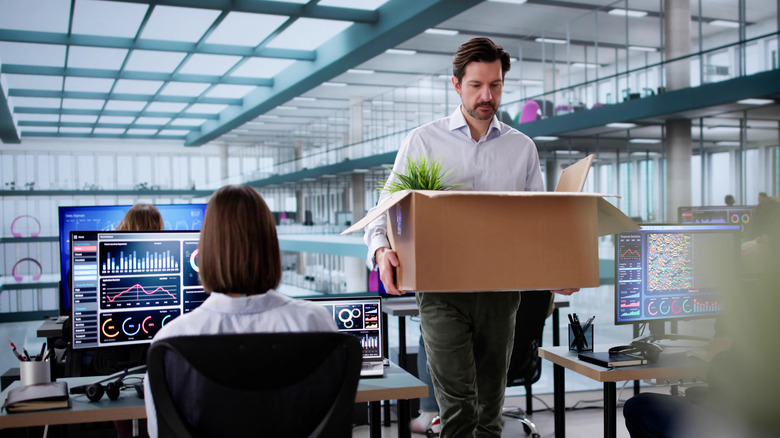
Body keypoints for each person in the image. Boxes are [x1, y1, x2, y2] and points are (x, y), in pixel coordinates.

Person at [364, 37, 578, 437]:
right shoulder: (424, 141)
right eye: (476, 85)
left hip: (501, 294)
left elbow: (539, 226)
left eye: (495, 85)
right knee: (459, 409)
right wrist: (380, 249)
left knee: (490, 410)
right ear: (456, 85)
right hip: (442, 292)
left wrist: (556, 269)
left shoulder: (522, 148)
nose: (486, 95)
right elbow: (384, 209)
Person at [144, 185, 337, 438]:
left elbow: (161, 432)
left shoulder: (170, 342)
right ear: (270, 245)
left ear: (207, 250)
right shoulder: (315, 323)